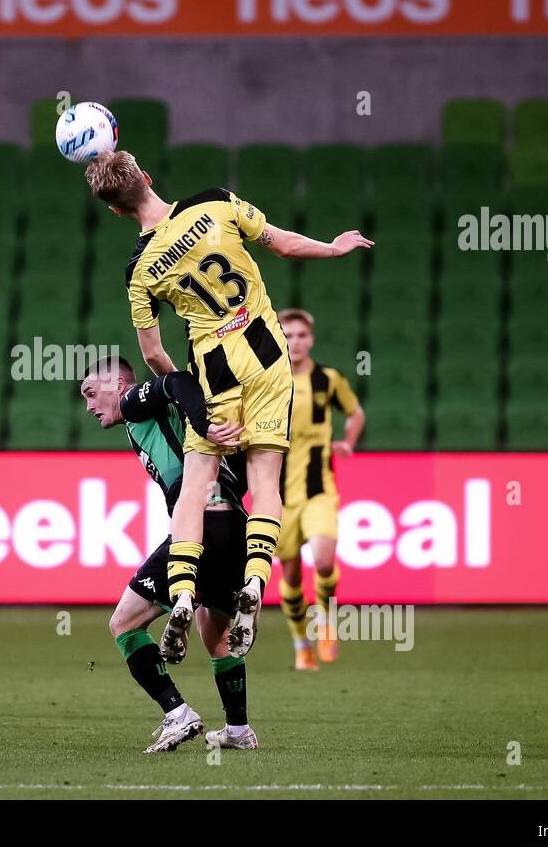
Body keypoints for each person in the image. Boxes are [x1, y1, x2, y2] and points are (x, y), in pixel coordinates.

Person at [85, 150, 371, 663]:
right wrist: (332, 248)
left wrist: (186, 394)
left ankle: (183, 592)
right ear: (147, 177)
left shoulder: (139, 269)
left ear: (114, 211)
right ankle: (257, 581)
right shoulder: (214, 202)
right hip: (266, 357)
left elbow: (151, 353)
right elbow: (280, 244)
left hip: (214, 370)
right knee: (264, 482)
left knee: (195, 487)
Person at [80, 355, 258, 752]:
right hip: (234, 524)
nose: (90, 406)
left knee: (124, 624)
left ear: (118, 385)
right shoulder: (154, 420)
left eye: (92, 393)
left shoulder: (132, 402)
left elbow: (176, 379)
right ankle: (238, 730)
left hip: (199, 523)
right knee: (216, 635)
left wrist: (204, 423)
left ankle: (177, 714)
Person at [274, 309, 364, 670]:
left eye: (301, 335)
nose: (295, 341)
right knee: (291, 575)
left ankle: (326, 622)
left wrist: (347, 442)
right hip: (277, 496)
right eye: (289, 335)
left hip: (319, 489)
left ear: (311, 339)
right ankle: (301, 642)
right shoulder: (266, 381)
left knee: (325, 561)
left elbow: (355, 413)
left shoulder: (329, 379)